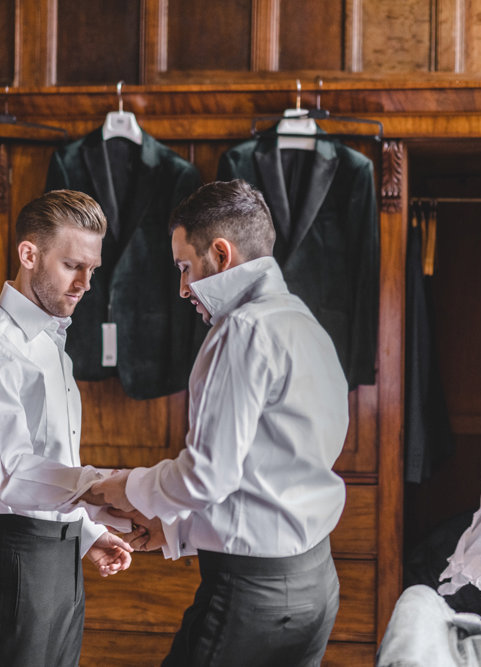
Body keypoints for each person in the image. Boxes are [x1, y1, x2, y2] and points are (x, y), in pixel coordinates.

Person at [87, 179, 350, 666]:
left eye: (186, 268)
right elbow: (265, 475)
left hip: (253, 598)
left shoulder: (242, 330)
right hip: (314, 581)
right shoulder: (303, 322)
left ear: (222, 254)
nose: (183, 289)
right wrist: (176, 533)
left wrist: (126, 486)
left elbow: (207, 476)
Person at [0, 189, 134, 667]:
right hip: (14, 563)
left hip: (60, 557)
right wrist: (99, 486)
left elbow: (52, 465)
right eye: (73, 265)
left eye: (92, 269)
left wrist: (86, 533)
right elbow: (12, 475)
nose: (85, 283)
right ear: (29, 254)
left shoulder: (51, 339)